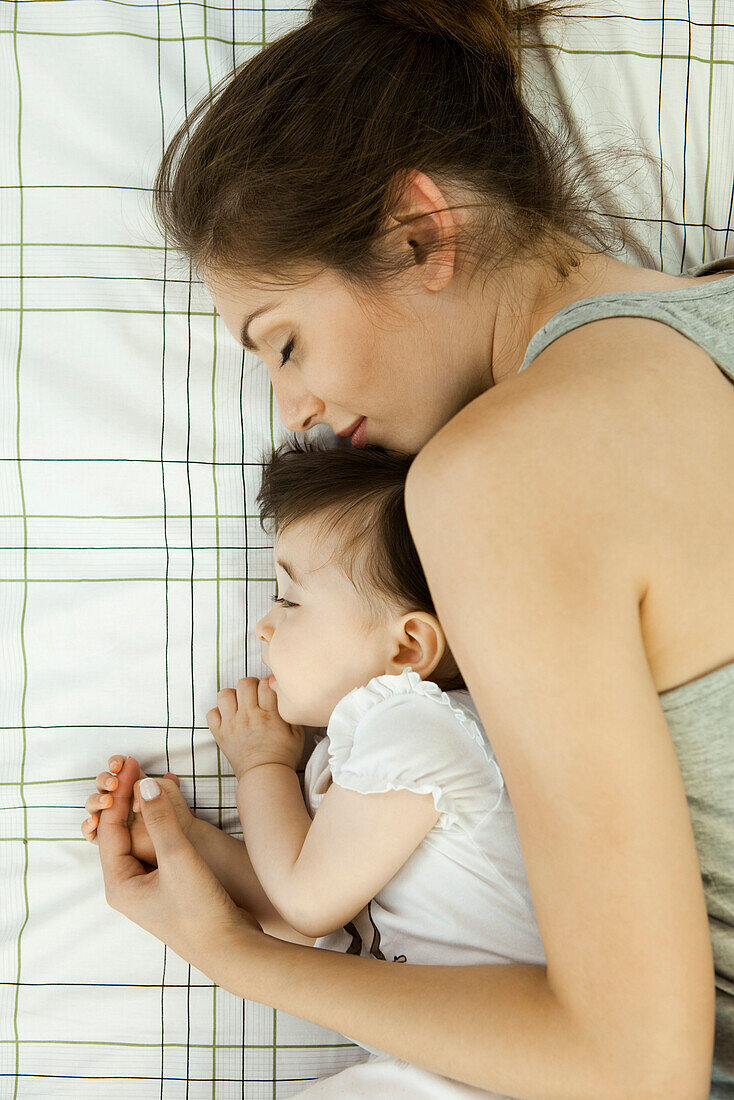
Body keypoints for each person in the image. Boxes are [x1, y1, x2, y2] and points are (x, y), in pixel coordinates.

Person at [89, 1, 734, 1096]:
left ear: (418, 232)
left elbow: (632, 1068)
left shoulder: (501, 476)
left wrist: (236, 953)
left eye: (283, 341)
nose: (295, 408)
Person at [84, 438, 549, 1097]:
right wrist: (179, 841)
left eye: (291, 601)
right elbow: (313, 909)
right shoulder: (385, 742)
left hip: (484, 1069)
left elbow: (304, 903)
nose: (264, 628)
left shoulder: (423, 725)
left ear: (408, 646)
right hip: (450, 1059)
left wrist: (263, 765)